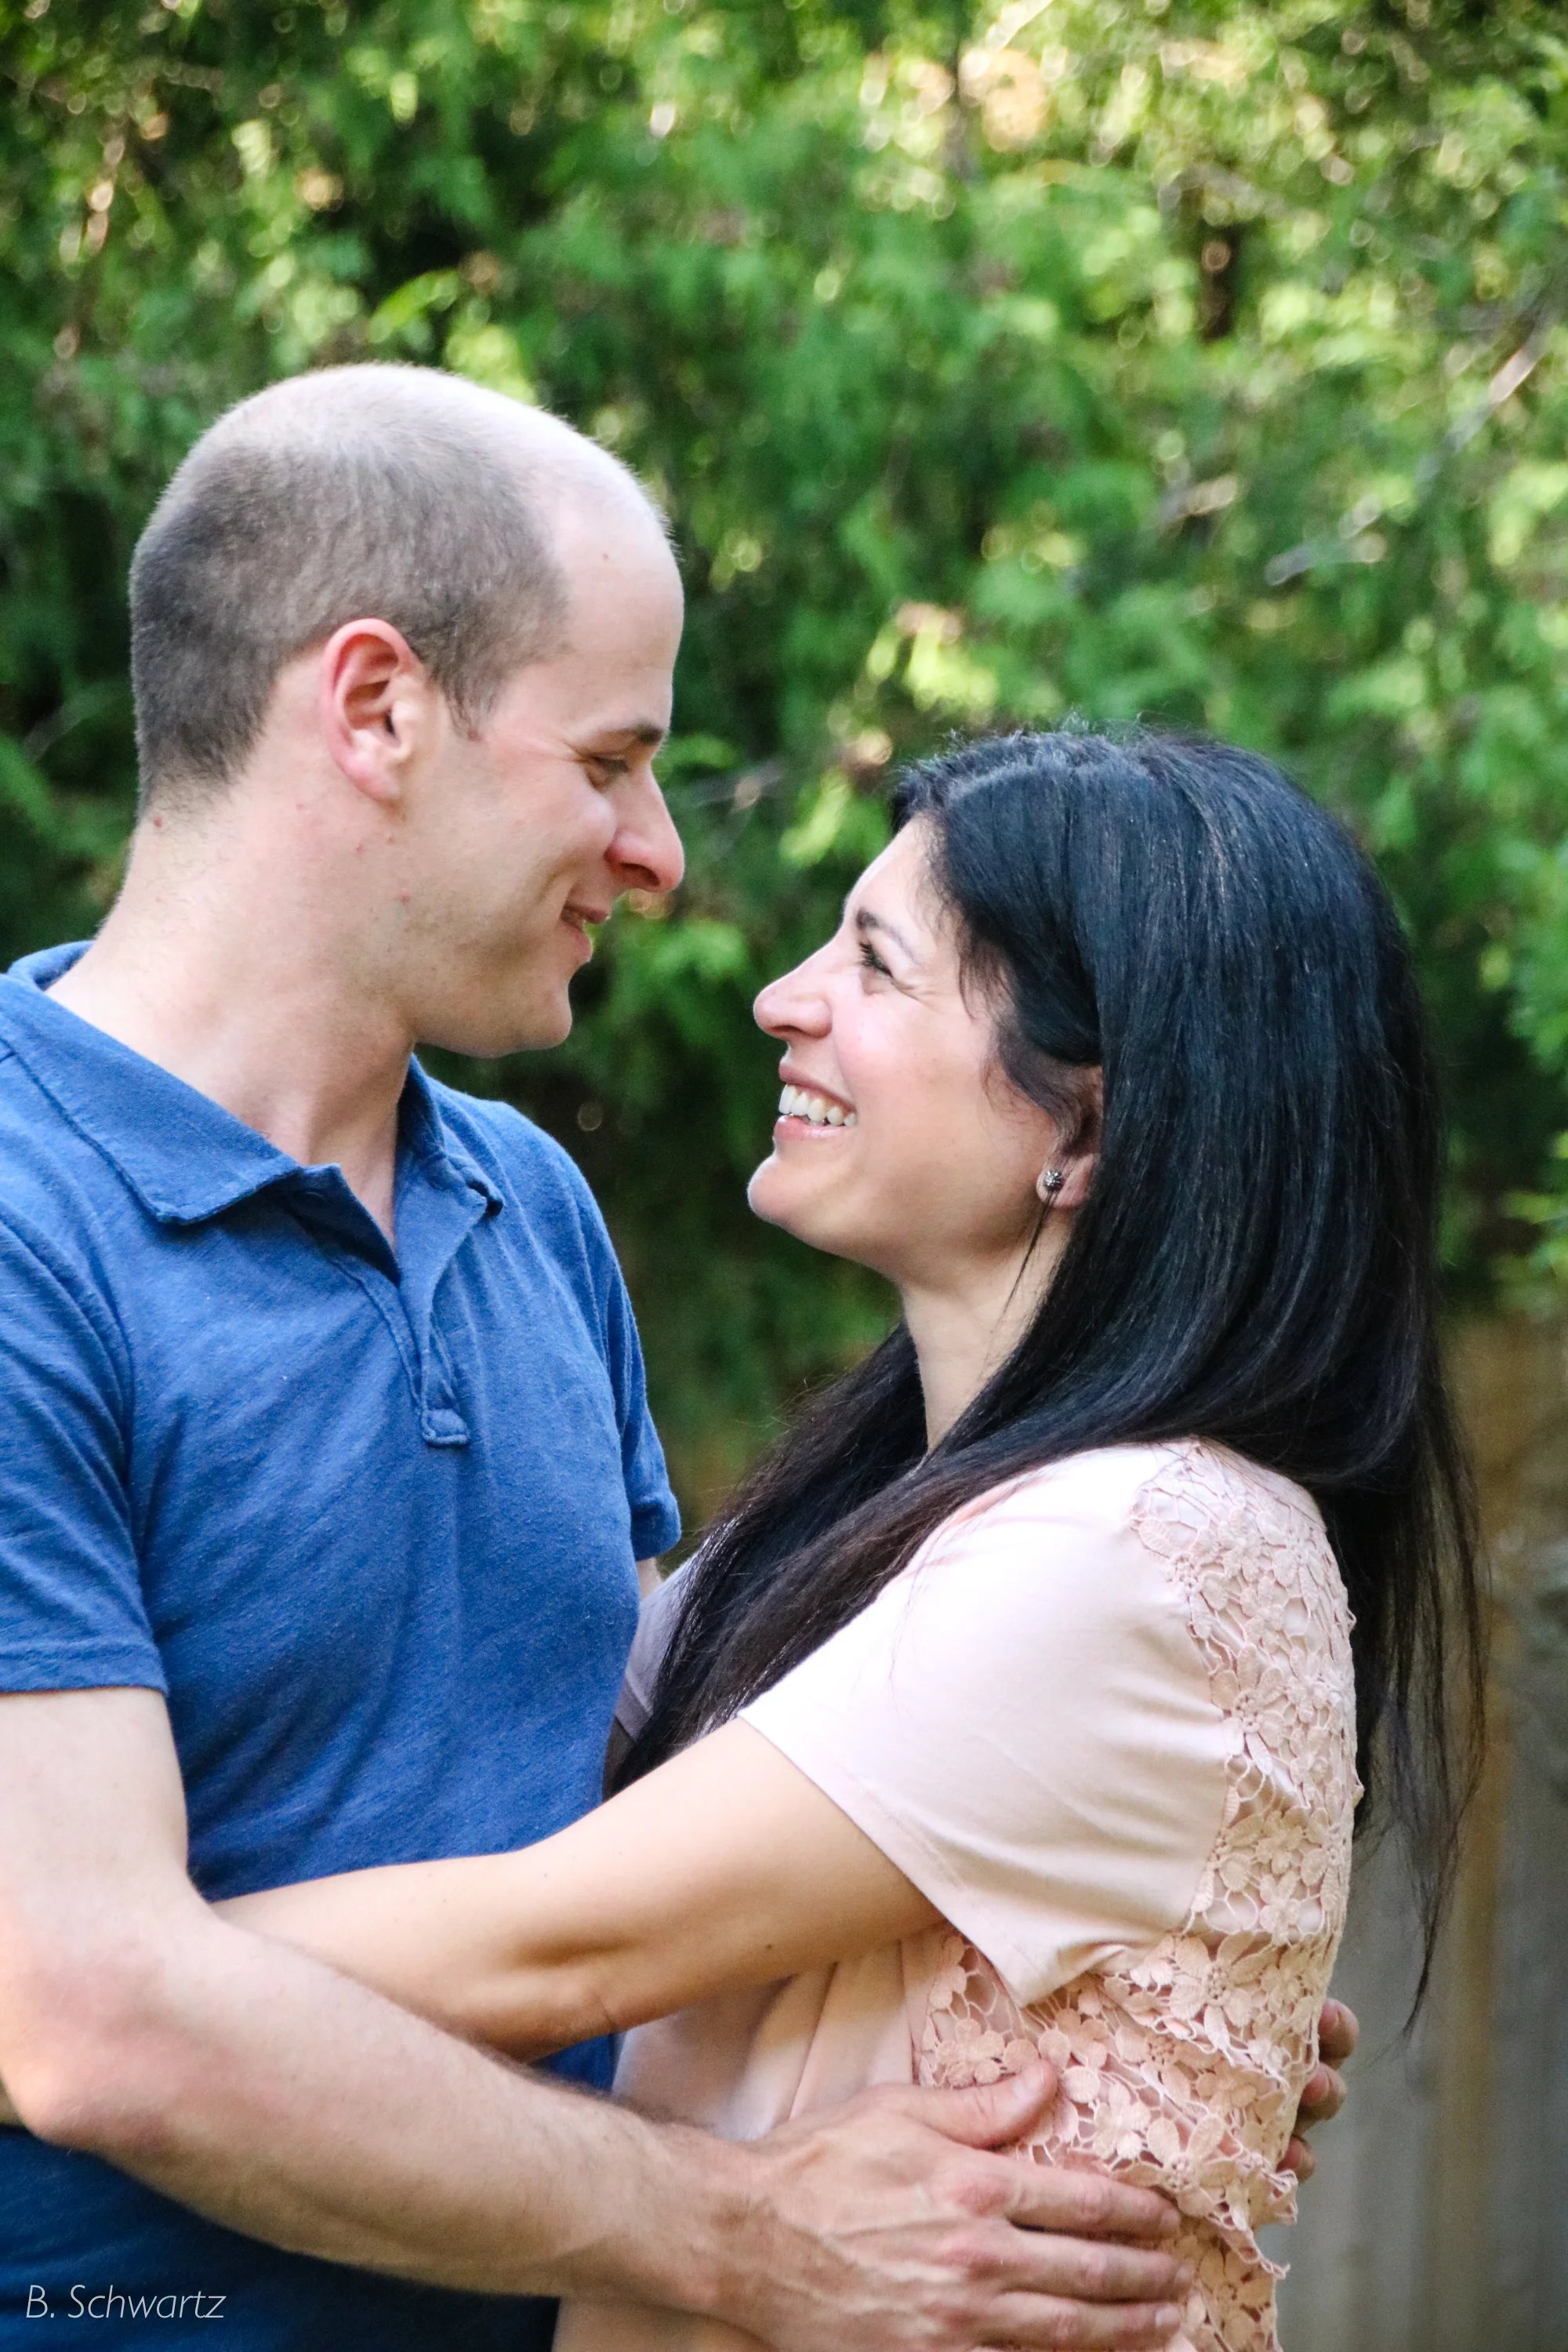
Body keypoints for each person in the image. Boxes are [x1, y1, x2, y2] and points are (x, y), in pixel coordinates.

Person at [0, 366, 1234, 2350]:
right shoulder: (20, 1225)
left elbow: (629, 1829)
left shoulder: (525, 1210)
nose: (658, 853)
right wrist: (740, 2235)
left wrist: (1060, 1962)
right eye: (612, 759)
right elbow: (87, 2022)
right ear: (376, 708)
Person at [207, 731, 1467, 2352]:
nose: (779, 998)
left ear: (1085, 1119)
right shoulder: (873, 1522)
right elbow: (526, 1796)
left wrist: (84, 1975)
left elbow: (537, 1945)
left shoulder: (1139, 1550)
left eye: (874, 964)